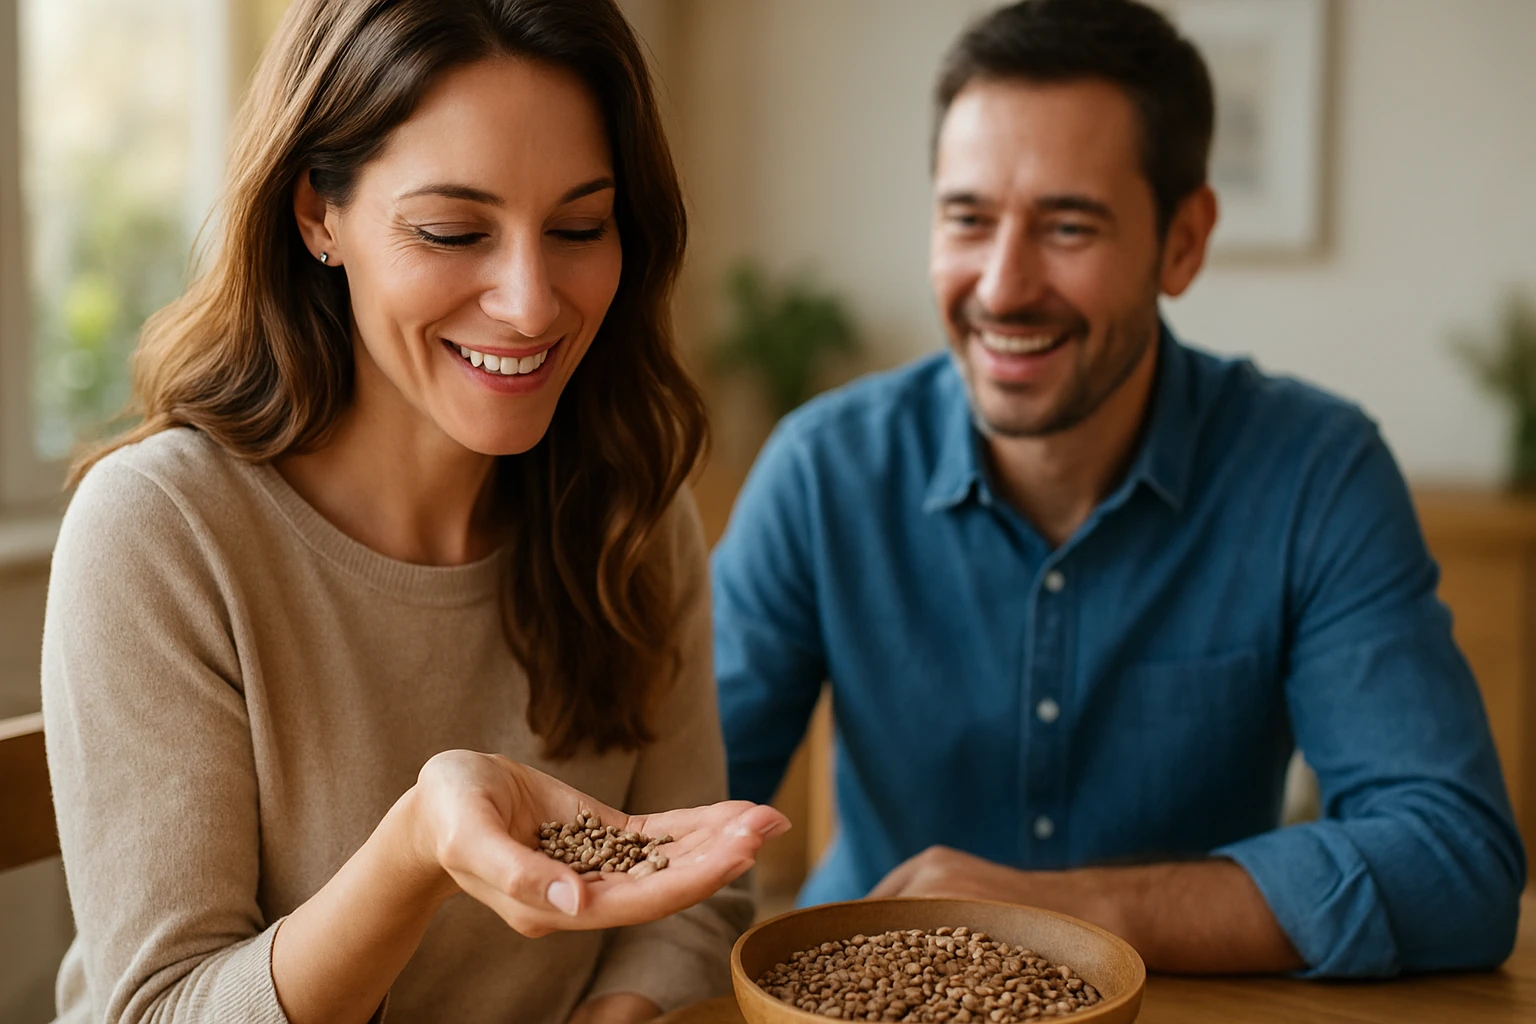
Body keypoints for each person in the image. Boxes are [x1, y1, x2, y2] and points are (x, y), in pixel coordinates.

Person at [713, 0, 1524, 978]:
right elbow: (677, 818)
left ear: (1183, 241)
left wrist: (1063, 911)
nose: (1002, 287)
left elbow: (1454, 861)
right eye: (967, 218)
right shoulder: (820, 471)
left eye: (1068, 226)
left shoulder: (1316, 475)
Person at [41, 2, 790, 1023]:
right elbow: (163, 1008)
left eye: (579, 228)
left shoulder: (628, 508)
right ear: (320, 215)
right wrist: (415, 853)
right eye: (453, 231)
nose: (531, 302)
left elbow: (685, 906)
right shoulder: (162, 533)